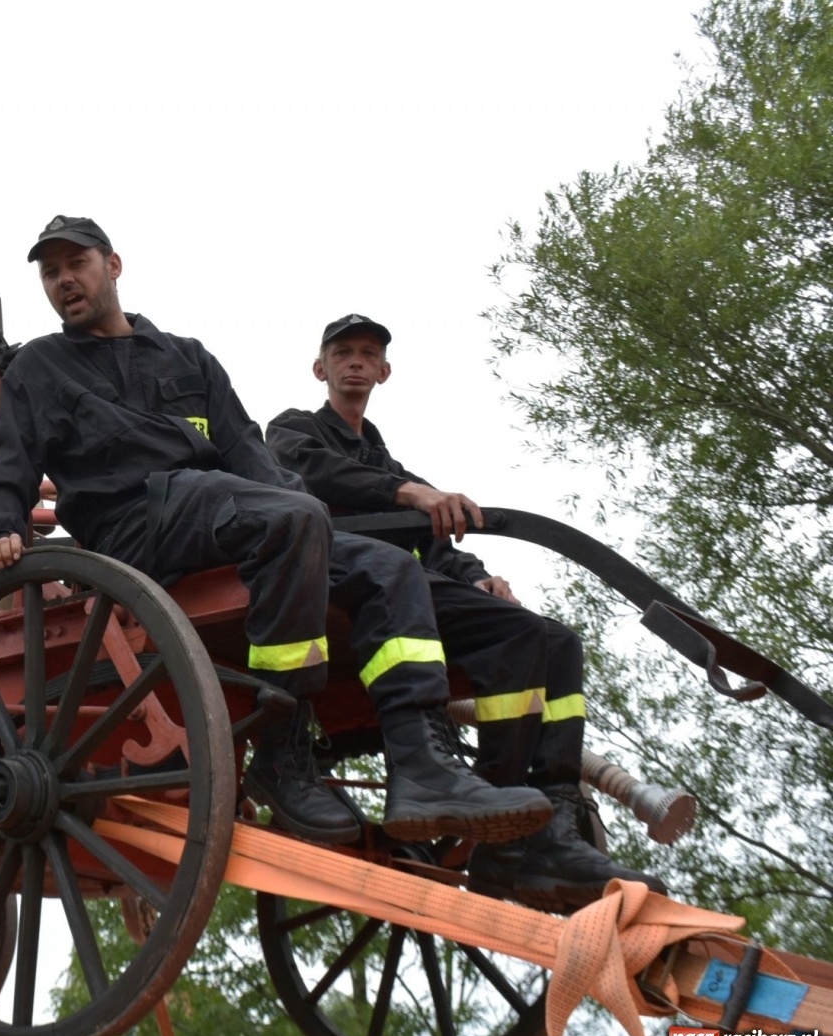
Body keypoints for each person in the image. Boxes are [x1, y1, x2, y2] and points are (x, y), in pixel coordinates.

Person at [0, 216, 553, 848]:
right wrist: (1, 522)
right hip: (135, 526)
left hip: (221, 512)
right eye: (50, 273)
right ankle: (281, 745)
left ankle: (422, 766)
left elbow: (250, 454)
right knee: (289, 517)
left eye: (75, 264)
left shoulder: (189, 357)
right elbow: (11, 456)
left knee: (388, 566)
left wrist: (319, 528)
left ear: (112, 265)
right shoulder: (41, 366)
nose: (63, 282)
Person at [265, 313, 665, 911]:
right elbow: (310, 473)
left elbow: (435, 547)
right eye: (342, 352)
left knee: (549, 641)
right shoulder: (294, 430)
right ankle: (495, 820)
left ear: (384, 372)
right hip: (338, 581)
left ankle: (534, 820)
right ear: (320, 368)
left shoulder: (389, 463)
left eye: (367, 354)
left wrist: (479, 577)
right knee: (442, 597)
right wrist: (413, 495)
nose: (355, 362)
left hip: (407, 585)